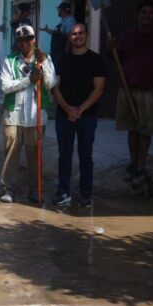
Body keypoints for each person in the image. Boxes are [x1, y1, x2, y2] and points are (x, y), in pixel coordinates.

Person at [115, 0, 153, 188]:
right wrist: (111, 47)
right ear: (137, 15)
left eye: (150, 13)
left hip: (150, 91)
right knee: (131, 129)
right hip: (127, 88)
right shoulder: (128, 35)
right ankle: (133, 165)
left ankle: (141, 166)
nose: (146, 16)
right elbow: (118, 57)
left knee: (145, 130)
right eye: (143, 12)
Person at [0, 24, 56, 203]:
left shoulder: (44, 58)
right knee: (11, 154)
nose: (25, 43)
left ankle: (34, 189)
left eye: (28, 39)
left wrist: (45, 62)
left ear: (34, 40)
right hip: (12, 115)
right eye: (21, 40)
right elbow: (5, 87)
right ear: (17, 42)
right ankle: (9, 189)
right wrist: (28, 80)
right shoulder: (10, 60)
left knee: (34, 155)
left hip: (35, 115)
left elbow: (51, 83)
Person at [51, 24, 106, 207]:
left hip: (87, 116)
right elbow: (54, 87)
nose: (77, 36)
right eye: (73, 34)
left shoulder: (96, 60)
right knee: (64, 154)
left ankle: (85, 194)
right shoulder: (61, 60)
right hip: (64, 115)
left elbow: (99, 89)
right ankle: (64, 191)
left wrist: (79, 110)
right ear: (69, 37)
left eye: (81, 33)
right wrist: (68, 109)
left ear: (87, 35)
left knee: (85, 155)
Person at [40, 1, 76, 67]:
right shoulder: (63, 20)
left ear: (64, 11)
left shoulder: (70, 21)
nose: (58, 11)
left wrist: (66, 52)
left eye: (59, 10)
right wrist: (46, 30)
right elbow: (56, 33)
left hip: (61, 52)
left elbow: (70, 36)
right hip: (56, 52)